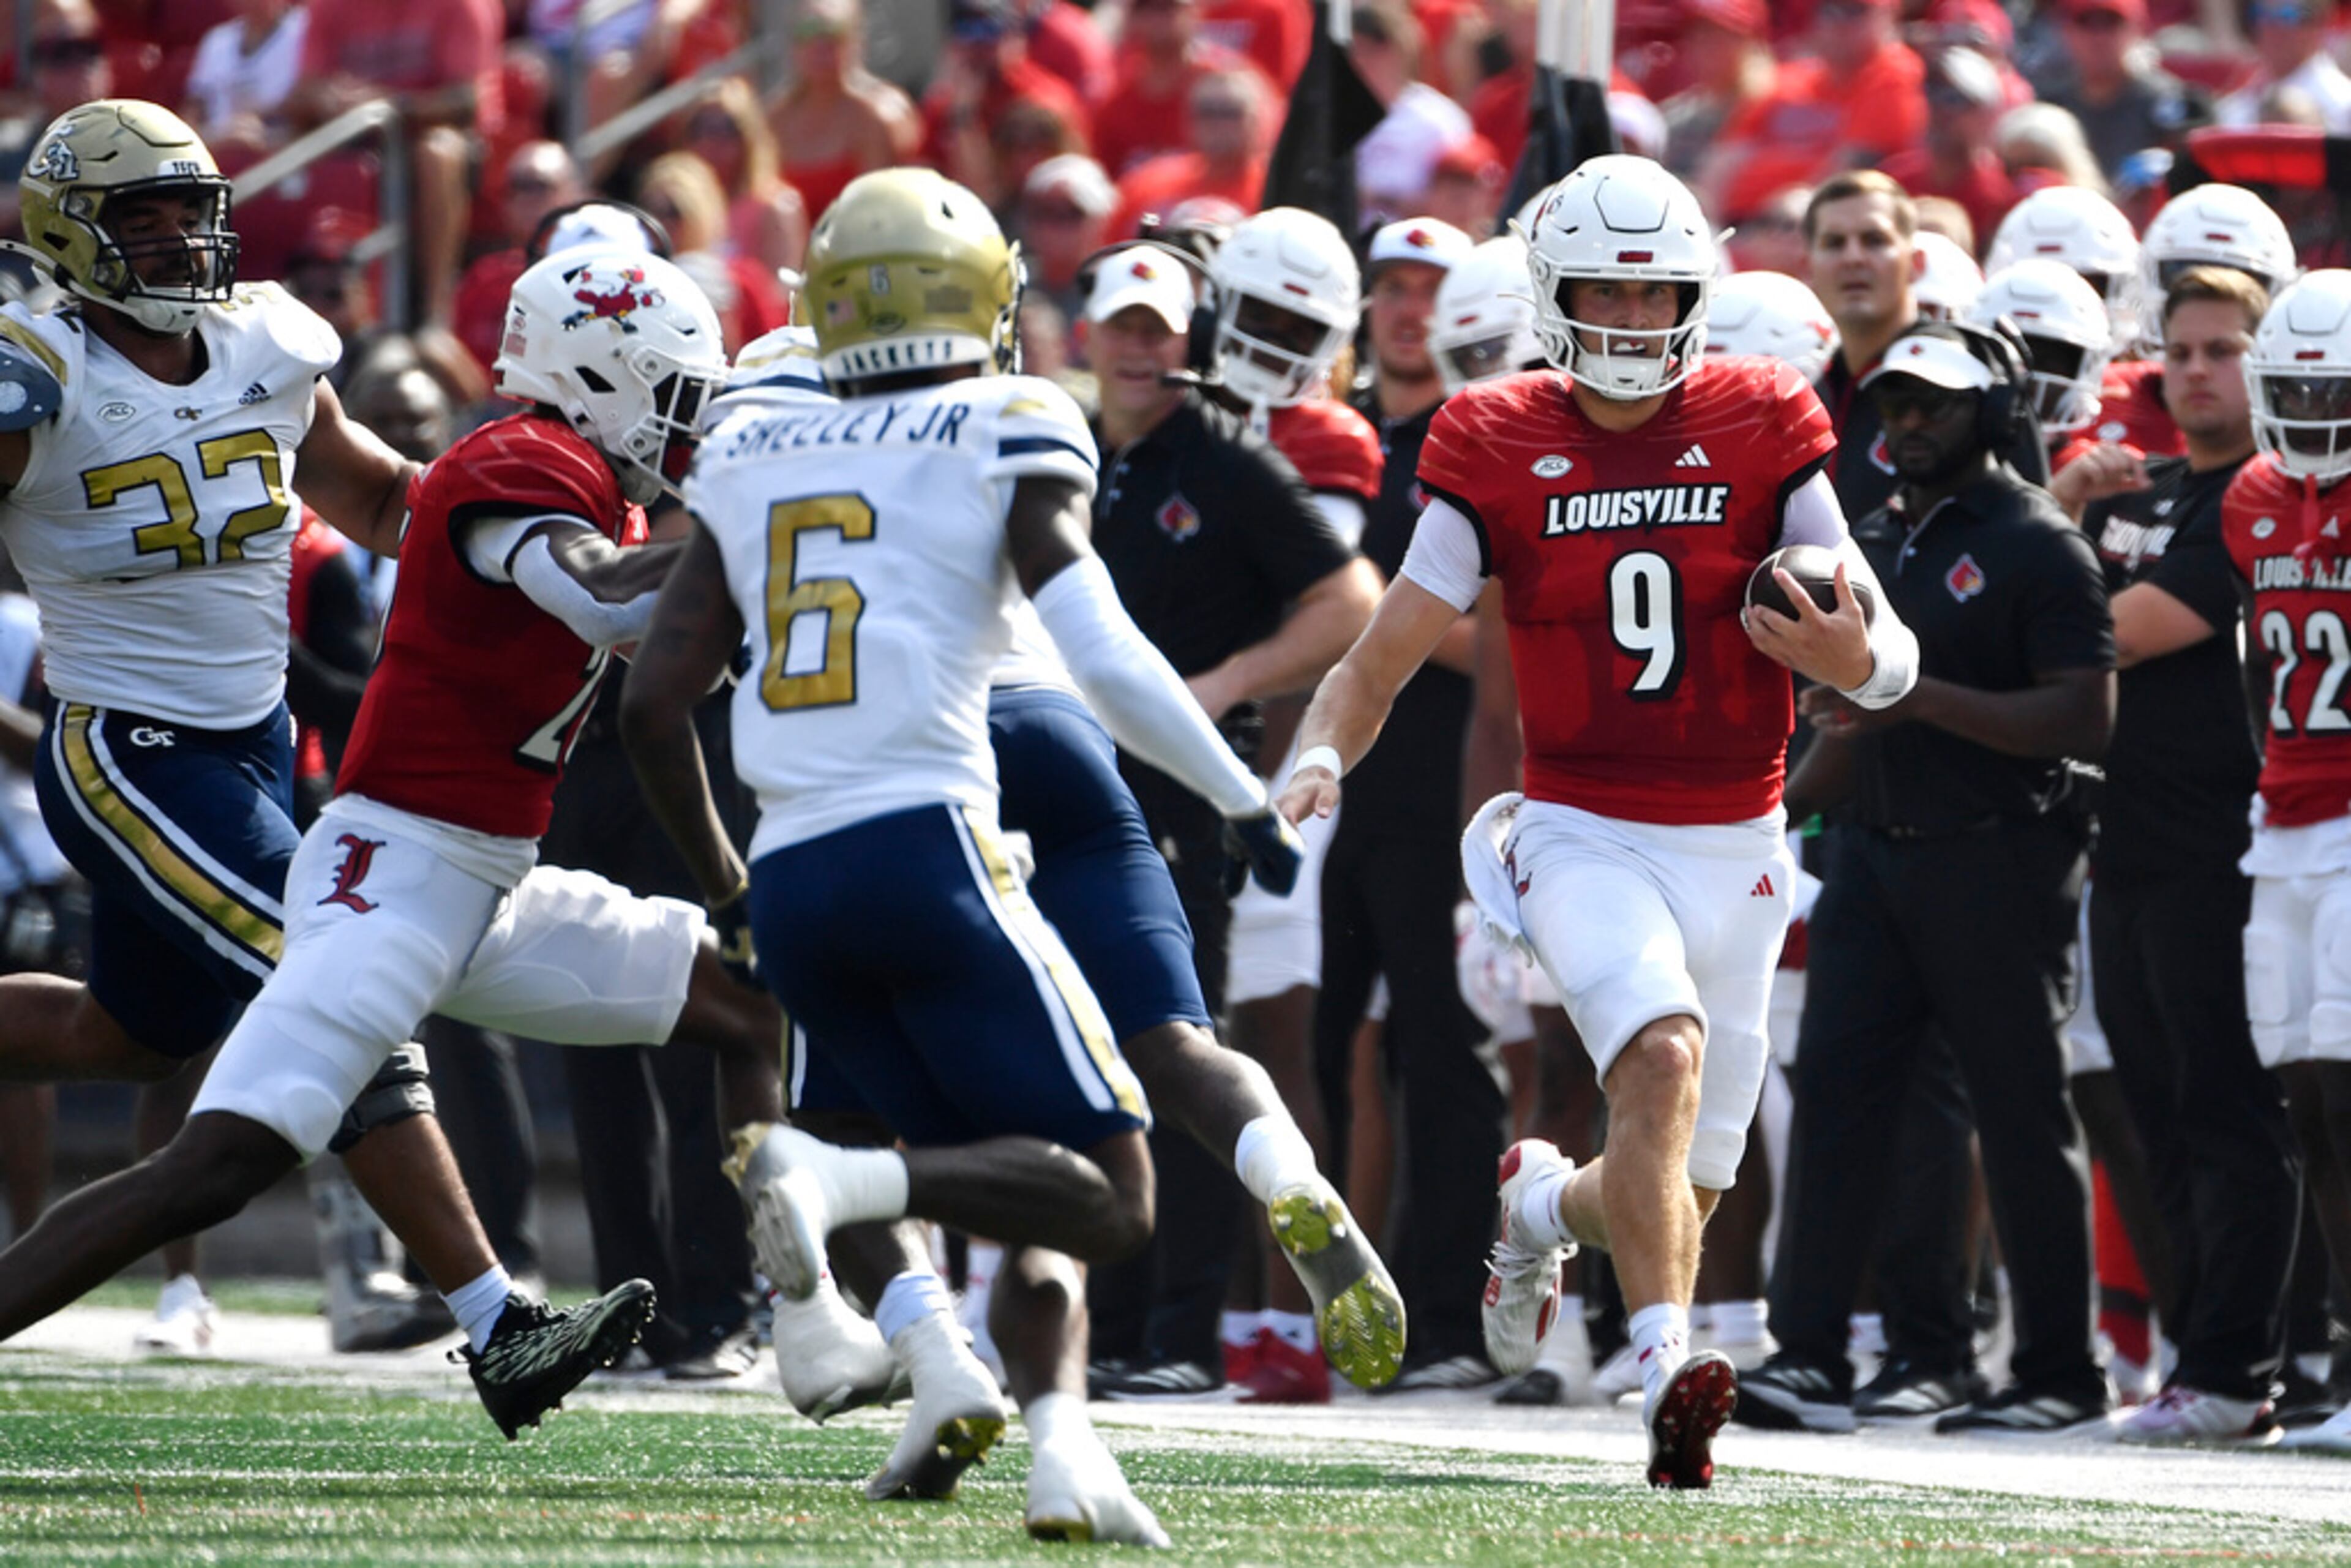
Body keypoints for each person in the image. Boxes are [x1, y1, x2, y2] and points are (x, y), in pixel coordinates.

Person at [613, 168, 1288, 1543]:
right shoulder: (1008, 415)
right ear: (987, 301)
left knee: (996, 1153)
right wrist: (1239, 796)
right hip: (932, 844)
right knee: (1109, 1192)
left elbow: (651, 700)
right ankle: (834, 1180)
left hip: (794, 873)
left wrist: (727, 887)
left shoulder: (750, 446)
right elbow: (1099, 652)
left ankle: (1059, 1446)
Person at [0, 100, 654, 1427]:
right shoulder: (36, 372)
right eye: (146, 214)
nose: (183, 238)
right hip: (128, 747)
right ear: (74, 231)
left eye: (193, 208)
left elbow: (368, 494)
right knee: (336, 983)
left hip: (251, 741)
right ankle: (496, 1324)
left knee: (123, 1039)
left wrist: (515, 529)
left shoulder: (266, 343)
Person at [1278, 155, 1919, 1488]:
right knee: (1664, 1066)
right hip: (1578, 823)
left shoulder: (1764, 412)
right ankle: (1665, 1375)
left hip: (1741, 832)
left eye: (1656, 298)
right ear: (1553, 297)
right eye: (1603, 297)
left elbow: (1890, 653)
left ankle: (1537, 1204)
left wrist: (1856, 663)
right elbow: (1386, 649)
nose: (1631, 325)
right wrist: (1323, 750)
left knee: (1681, 1179)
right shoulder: (1494, 433)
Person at [1741, 320, 2116, 1438]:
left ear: (1994, 413)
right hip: (1870, 853)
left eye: (1935, 405)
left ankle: (2056, 1369)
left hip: (1999, 858)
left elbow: (2083, 717)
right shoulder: (1866, 537)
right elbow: (1853, 727)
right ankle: (1813, 1357)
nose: (1907, 425)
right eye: (1895, 404)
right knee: (1839, 1111)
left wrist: (1918, 699)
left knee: (2017, 1112)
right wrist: (1777, 811)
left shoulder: (2041, 542)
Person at [2069, 266, 2300, 1443]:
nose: (2200, 371)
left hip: (2224, 839)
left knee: (2225, 1105)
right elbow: (2048, 600)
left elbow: (2113, 630)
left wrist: (2060, 579)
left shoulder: (2267, 499)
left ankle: (2239, 1364)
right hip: (2126, 838)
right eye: (2184, 352)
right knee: (2155, 1106)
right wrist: (2066, 499)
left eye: (2224, 350)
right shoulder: (2137, 489)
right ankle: (2193, 1356)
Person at [2224, 268, 2351, 1455]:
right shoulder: (2253, 496)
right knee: (2306, 1093)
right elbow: (2260, 670)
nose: (2313, 417)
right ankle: (2338, 1354)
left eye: (2337, 394)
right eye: (2297, 392)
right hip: (2287, 816)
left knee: (2350, 1086)